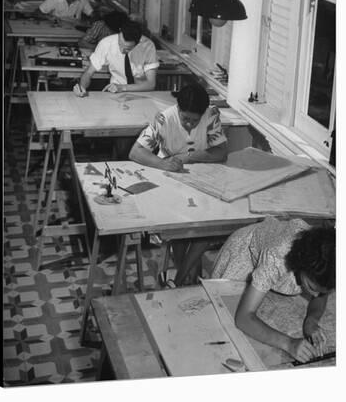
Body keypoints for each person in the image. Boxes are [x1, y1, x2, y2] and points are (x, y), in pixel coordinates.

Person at [129, 83, 228, 286]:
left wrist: (189, 157)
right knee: (181, 225)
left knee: (208, 226)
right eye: (186, 119)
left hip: (201, 178)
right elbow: (136, 152)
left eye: (195, 120)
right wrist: (163, 163)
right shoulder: (165, 119)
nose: (190, 125)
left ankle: (181, 278)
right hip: (170, 177)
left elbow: (221, 152)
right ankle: (189, 277)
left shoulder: (210, 116)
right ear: (178, 110)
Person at [211, 216, 336, 363]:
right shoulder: (275, 259)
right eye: (311, 287)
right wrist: (289, 343)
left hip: (272, 248)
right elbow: (243, 317)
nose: (316, 295)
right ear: (300, 265)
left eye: (323, 292)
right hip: (243, 253)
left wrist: (311, 320)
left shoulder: (325, 260)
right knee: (222, 318)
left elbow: (321, 291)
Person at [73, 18, 159, 96]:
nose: (121, 50)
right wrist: (82, 87)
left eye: (127, 49)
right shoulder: (106, 43)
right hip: (116, 94)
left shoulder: (148, 46)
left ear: (137, 43)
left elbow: (150, 84)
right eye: (120, 44)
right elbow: (88, 73)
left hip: (141, 94)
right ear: (120, 32)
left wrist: (122, 87)